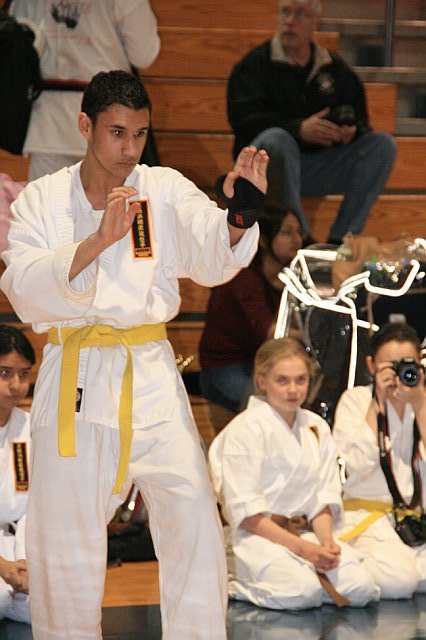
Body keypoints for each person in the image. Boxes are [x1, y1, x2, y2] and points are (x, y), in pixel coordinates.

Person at [0, 70, 269, 640]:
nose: (130, 149)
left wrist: (239, 215)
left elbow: (211, 250)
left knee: (194, 518)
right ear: (85, 126)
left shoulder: (162, 189)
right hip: (75, 377)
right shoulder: (43, 200)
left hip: (149, 371)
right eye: (117, 133)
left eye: (140, 134)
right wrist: (98, 240)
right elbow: (22, 287)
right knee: (66, 545)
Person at [208, 337, 379, 610]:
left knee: (362, 587)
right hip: (258, 536)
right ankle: (233, 577)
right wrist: (304, 550)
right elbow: (247, 515)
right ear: (262, 381)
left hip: (305, 532)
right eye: (282, 380)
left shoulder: (316, 427)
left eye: (301, 380)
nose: (293, 389)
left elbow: (323, 497)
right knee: (302, 592)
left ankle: (308, 575)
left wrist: (326, 543)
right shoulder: (244, 430)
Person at [227, 0, 397, 244]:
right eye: (285, 12)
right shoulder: (254, 65)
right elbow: (243, 122)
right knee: (278, 139)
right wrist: (298, 130)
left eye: (300, 14)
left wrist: (350, 132)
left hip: (318, 167)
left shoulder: (336, 69)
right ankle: (302, 239)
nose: (290, 21)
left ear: (316, 20)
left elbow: (360, 119)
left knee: (382, 145)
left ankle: (340, 241)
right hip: (266, 168)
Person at [11, 0, 161, 180]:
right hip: (109, 117)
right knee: (111, 197)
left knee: (47, 197)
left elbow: (15, 45)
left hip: (49, 121)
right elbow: (144, 53)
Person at [333, 322, 426, 599]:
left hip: (415, 521)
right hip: (368, 518)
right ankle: (345, 566)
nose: (399, 373)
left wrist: (420, 404)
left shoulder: (423, 401)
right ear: (371, 365)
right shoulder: (355, 400)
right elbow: (357, 465)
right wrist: (378, 405)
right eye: (390, 366)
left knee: (411, 578)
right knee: (400, 581)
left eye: (407, 365)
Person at [199, 201, 303, 418]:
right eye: (286, 233)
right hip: (225, 367)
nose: (297, 240)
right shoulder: (243, 276)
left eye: (298, 232)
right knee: (270, 405)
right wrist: (309, 335)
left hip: (263, 364)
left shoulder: (292, 275)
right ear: (263, 240)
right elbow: (270, 332)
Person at [0, 325, 35, 625]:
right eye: (5, 373)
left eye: (24, 374)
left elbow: (30, 506)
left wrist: (23, 561)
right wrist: (2, 566)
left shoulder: (28, 427)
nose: (16, 385)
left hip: (18, 546)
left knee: (47, 607)